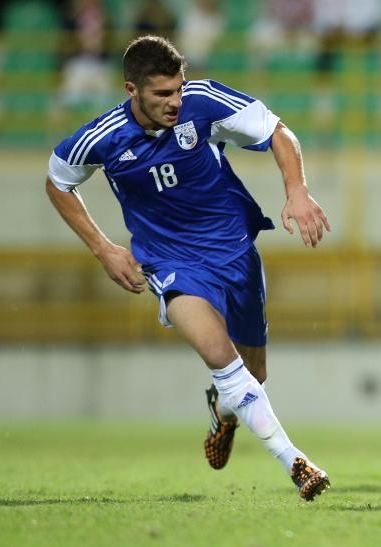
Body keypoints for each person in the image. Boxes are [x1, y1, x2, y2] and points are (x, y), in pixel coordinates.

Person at [45, 35, 332, 502]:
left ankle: (224, 410)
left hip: (235, 252)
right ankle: (294, 460)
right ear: (130, 90)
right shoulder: (104, 138)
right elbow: (58, 180)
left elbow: (278, 131)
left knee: (251, 375)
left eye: (178, 89)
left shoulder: (203, 101)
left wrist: (297, 190)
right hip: (171, 261)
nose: (176, 102)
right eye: (162, 94)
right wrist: (103, 248)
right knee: (220, 355)